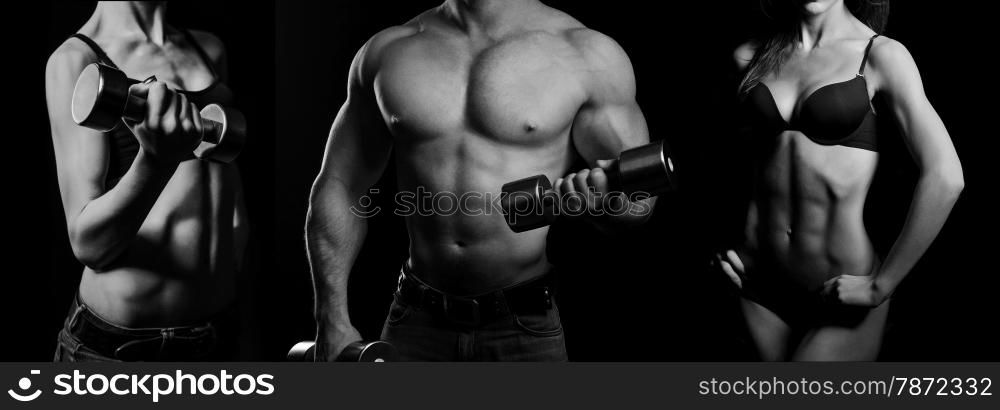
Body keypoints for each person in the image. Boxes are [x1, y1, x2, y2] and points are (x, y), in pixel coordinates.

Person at [307, 0, 654, 361]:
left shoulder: (586, 53)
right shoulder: (389, 51)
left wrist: (603, 205)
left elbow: (640, 197)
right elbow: (340, 185)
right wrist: (330, 318)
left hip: (523, 327)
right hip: (415, 321)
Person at [716, 0, 963, 361]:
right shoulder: (748, 57)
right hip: (755, 285)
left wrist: (882, 286)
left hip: (840, 293)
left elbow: (945, 176)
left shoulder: (880, 55)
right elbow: (720, 162)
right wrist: (717, 245)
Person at [45, 1, 247, 361]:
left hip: (218, 336)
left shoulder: (209, 48)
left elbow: (225, 180)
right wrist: (156, 160)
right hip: (121, 352)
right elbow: (89, 244)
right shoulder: (77, 60)